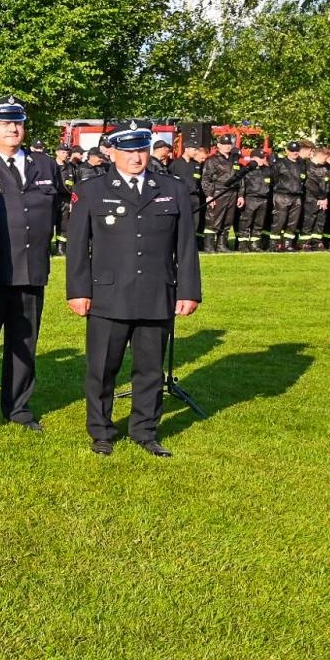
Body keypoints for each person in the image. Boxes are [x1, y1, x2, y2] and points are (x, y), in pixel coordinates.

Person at [66, 121, 201, 456]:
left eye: (141, 149)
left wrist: (189, 290)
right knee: (102, 368)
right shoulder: (93, 190)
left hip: (156, 292)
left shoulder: (172, 188)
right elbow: (77, 246)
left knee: (150, 369)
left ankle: (145, 430)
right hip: (108, 294)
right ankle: (101, 431)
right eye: (128, 150)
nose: (136, 157)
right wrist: (77, 291)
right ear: (112, 151)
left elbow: (185, 245)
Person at [0, 97, 64, 433]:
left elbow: (63, 209)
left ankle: (18, 408)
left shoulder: (45, 164)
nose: (13, 128)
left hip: (31, 271)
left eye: (17, 122)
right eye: (4, 123)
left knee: (24, 345)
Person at [199, 134, 243, 252]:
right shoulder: (212, 160)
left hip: (232, 193)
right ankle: (209, 246)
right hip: (218, 192)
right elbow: (206, 179)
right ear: (218, 145)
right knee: (213, 220)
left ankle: (222, 245)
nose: (227, 147)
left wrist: (240, 195)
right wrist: (209, 195)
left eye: (229, 144)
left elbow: (240, 178)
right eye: (224, 144)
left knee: (227, 220)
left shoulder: (234, 160)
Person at [269, 142, 306, 251]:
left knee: (293, 222)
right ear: (287, 151)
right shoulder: (279, 163)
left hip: (297, 196)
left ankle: (288, 244)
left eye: (297, 150)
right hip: (282, 195)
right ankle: (274, 245)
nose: (295, 152)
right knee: (279, 220)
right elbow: (273, 179)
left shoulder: (302, 164)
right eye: (292, 150)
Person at [237, 151, 273, 250]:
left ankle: (255, 244)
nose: (263, 160)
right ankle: (243, 245)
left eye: (264, 158)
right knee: (246, 222)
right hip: (250, 198)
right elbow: (241, 184)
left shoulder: (267, 170)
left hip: (263, 199)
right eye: (260, 158)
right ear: (253, 158)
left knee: (259, 223)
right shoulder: (247, 169)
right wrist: (241, 196)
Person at [303, 145, 330, 251]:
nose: (326, 160)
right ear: (320, 155)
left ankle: (317, 243)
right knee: (309, 220)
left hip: (323, 199)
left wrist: (325, 198)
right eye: (325, 157)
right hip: (311, 198)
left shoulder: (324, 168)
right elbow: (310, 184)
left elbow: (327, 183)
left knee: (320, 220)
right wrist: (321, 197)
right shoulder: (308, 166)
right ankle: (305, 243)